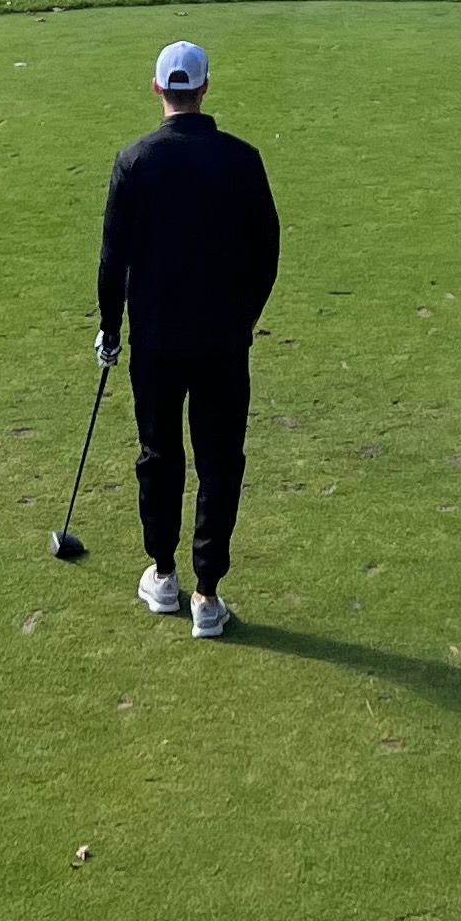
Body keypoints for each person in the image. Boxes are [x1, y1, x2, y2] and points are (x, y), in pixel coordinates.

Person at [95, 37, 279, 638]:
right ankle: (208, 595)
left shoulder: (134, 161)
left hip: (155, 341)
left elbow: (112, 261)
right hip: (224, 342)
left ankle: (164, 574)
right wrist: (246, 316)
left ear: (158, 90)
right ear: (203, 89)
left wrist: (109, 329)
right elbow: (267, 252)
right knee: (220, 459)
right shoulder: (242, 159)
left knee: (159, 454)